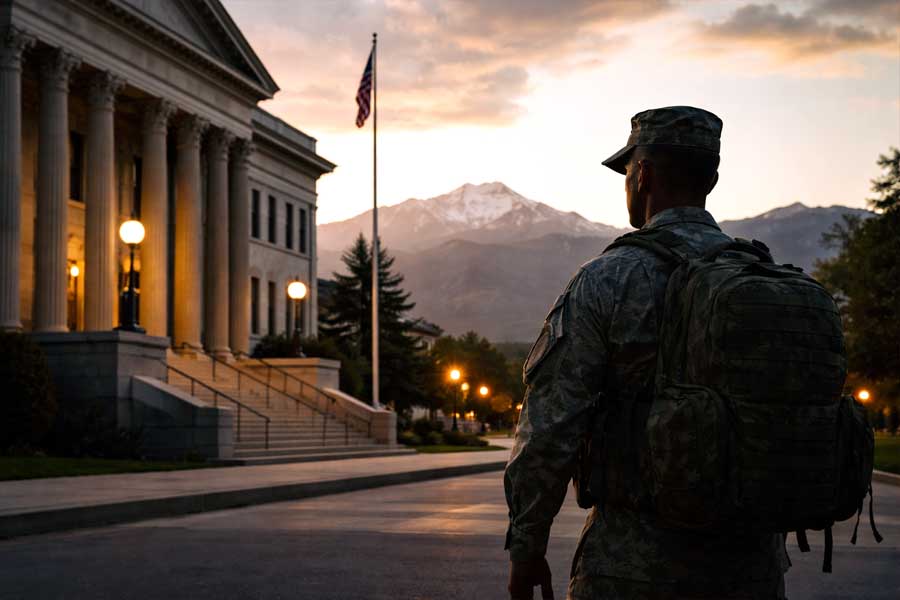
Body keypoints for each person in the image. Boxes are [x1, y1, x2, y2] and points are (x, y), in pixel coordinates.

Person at [504, 106, 789, 599]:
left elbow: (550, 426)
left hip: (632, 566)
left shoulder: (610, 278)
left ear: (644, 174)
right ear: (712, 179)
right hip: (753, 568)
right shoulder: (761, 279)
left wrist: (527, 545)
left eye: (627, 172)